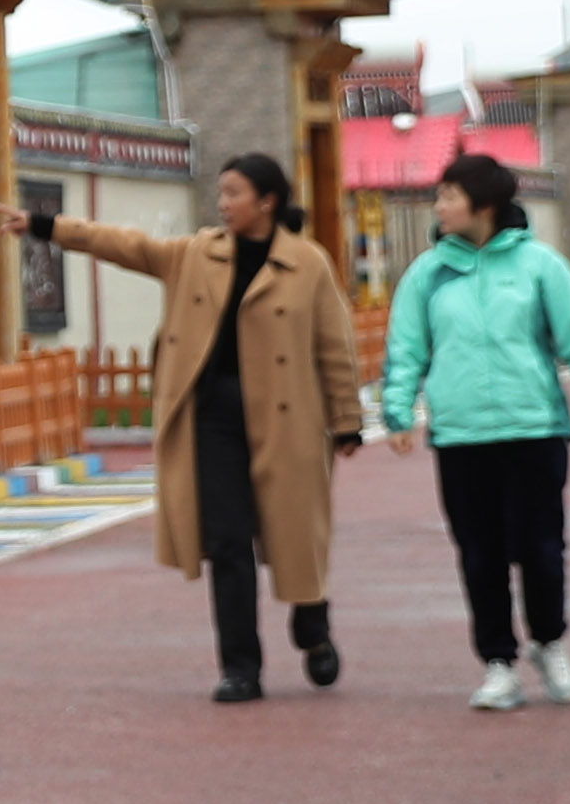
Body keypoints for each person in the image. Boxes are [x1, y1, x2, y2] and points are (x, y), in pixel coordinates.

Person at [25, 152, 364, 704]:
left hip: (288, 421)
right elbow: (126, 245)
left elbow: (335, 346)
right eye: (221, 193)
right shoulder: (195, 255)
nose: (223, 203)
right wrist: (47, 226)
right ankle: (240, 667)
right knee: (227, 542)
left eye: (234, 193)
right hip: (213, 420)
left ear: (267, 202)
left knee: (296, 537)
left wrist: (346, 420)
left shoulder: (309, 264)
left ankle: (312, 625)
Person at [381, 151, 570, 711]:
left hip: (533, 428)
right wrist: (397, 412)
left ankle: (550, 642)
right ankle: (499, 663)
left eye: (449, 195)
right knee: (480, 554)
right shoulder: (428, 274)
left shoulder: (540, 266)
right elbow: (406, 348)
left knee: (541, 549)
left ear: (485, 203)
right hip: (461, 435)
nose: (439, 206)